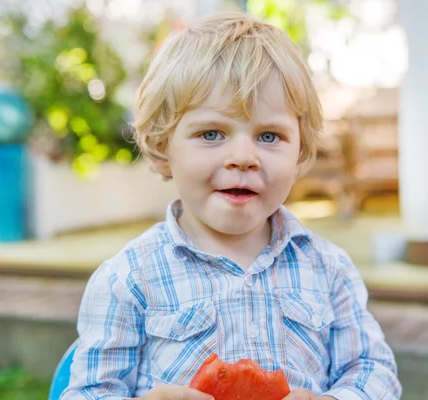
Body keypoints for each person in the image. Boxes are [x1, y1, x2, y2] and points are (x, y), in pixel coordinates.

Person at [62, 12, 402, 400]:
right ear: (162, 147)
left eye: (269, 136)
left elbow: (373, 371)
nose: (243, 157)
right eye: (211, 133)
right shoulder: (128, 280)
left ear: (301, 153)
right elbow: (86, 392)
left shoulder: (330, 269)